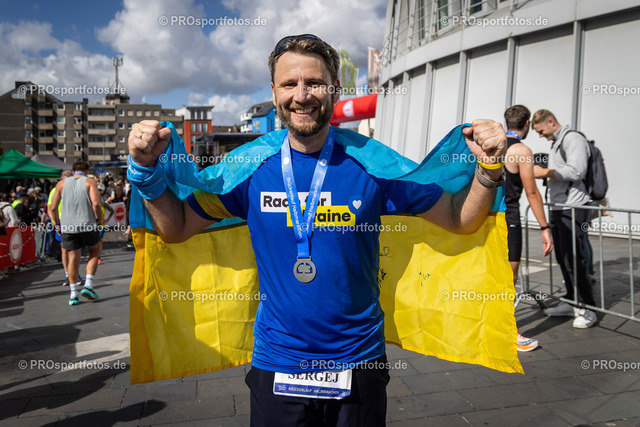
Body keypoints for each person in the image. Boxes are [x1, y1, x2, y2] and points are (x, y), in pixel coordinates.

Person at [128, 34, 507, 426]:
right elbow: (176, 228)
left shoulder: (372, 163)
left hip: (359, 362)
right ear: (273, 93)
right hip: (278, 363)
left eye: (314, 83)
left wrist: (489, 168)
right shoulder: (249, 167)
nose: (302, 95)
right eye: (289, 84)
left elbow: (460, 220)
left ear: (335, 89)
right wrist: (145, 172)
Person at [532, 109, 597, 328]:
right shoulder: (557, 142)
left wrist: (544, 173)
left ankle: (588, 308)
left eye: (541, 130)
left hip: (573, 207)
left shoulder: (573, 139)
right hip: (559, 207)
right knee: (563, 258)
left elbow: (577, 171)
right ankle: (571, 302)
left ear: (551, 121)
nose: (540, 135)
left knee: (575, 259)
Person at [503, 105, 554, 351]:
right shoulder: (522, 151)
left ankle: (488, 327)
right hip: (508, 219)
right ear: (526, 125)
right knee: (509, 278)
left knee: (489, 275)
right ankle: (507, 333)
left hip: (485, 219)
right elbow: (532, 193)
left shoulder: (489, 146)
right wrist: (545, 227)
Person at [49, 162, 103, 306]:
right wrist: (100, 220)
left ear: (73, 171)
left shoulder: (61, 184)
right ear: (86, 171)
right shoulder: (90, 181)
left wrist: (57, 224)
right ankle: (88, 285)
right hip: (87, 223)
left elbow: (52, 208)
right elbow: (96, 203)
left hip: (68, 226)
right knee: (94, 252)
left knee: (73, 258)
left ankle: (73, 294)